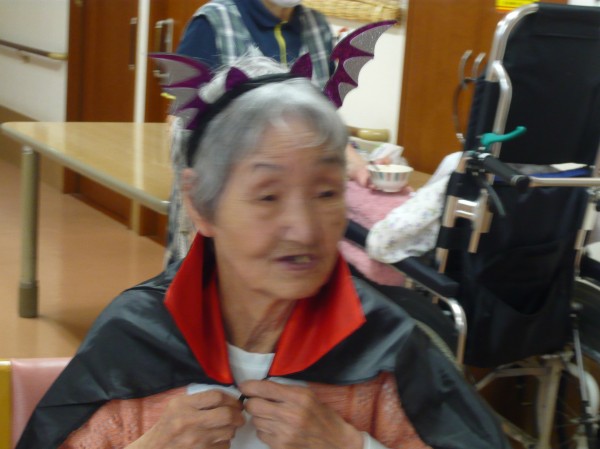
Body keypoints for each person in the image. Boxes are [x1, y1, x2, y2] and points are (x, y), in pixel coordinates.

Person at [17, 57, 510, 449]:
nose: (305, 229)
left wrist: (350, 444)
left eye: (326, 192)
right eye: (268, 196)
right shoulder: (136, 334)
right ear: (200, 204)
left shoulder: (386, 344)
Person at [165, 0, 372, 265]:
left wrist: (357, 163)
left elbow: (323, 116)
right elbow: (181, 126)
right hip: (228, 204)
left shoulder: (317, 27)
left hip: (297, 192)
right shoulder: (215, 22)